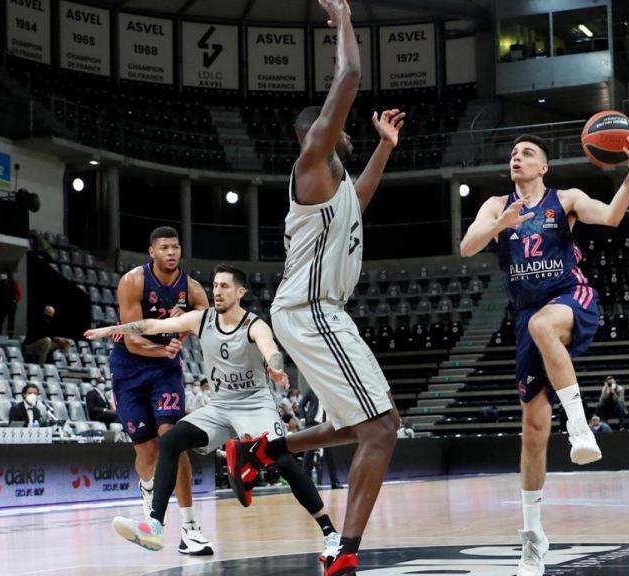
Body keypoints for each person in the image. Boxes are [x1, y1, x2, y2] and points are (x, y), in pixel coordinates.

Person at [226, 2, 406, 572]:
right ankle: (344, 551)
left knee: (357, 426)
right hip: (312, 311)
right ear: (315, 133)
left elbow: (361, 203)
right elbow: (349, 77)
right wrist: (346, 20)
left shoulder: (338, 185)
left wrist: (383, 148)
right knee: (382, 430)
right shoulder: (312, 162)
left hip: (313, 311)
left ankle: (261, 451)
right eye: (338, 126)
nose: (346, 131)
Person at [459, 125, 629, 576]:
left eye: (526, 153)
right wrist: (499, 225)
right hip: (526, 315)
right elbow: (467, 247)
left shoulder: (566, 200)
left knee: (545, 324)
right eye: (513, 153)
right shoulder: (496, 205)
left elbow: (613, 216)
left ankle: (581, 430)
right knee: (534, 430)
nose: (516, 158)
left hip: (569, 297)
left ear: (543, 166)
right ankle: (533, 537)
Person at [85, 264, 341, 561]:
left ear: (241, 292)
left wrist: (275, 366)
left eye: (225, 286)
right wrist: (112, 329)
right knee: (170, 441)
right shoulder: (200, 319)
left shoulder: (254, 324)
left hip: (254, 406)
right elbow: (151, 326)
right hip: (219, 408)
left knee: (282, 459)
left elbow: (271, 349)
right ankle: (154, 526)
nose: (217, 291)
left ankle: (331, 534)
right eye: (215, 286)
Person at [107, 225, 212, 555]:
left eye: (175, 247)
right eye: (164, 247)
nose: (171, 252)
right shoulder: (133, 282)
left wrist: (185, 327)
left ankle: (190, 528)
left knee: (173, 441)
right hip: (129, 367)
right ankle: (148, 485)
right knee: (147, 453)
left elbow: (208, 323)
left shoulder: (192, 289)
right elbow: (131, 338)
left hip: (166, 371)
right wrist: (162, 347)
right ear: (151, 251)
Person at [301, 386, 344, 489]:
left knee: (330, 455)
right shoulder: (312, 388)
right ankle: (305, 483)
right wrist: (303, 417)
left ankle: (335, 482)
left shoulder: (330, 391)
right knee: (309, 454)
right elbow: (301, 403)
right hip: (312, 423)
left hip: (326, 425)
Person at [0, 271, 21, 337]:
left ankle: (10, 336)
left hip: (11, 305)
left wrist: (15, 300)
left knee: (11, 322)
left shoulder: (13, 283)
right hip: (2, 305)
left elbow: (19, 294)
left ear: (8, 275)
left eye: (4, 274)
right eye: (2, 274)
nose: (2, 275)